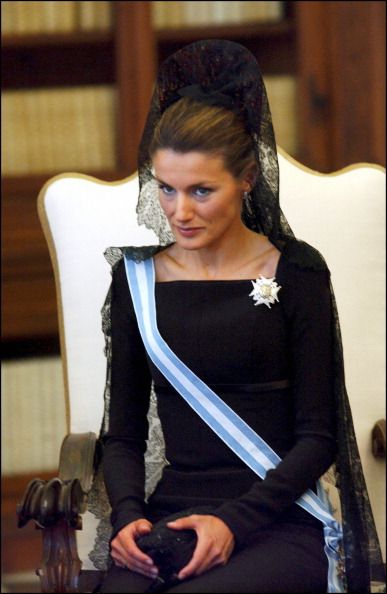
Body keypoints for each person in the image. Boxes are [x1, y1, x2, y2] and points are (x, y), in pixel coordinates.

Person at [96, 40, 384, 593]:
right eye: (167, 189)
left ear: (247, 177)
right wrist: (128, 517)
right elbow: (124, 435)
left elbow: (317, 436)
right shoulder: (134, 280)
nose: (179, 212)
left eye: (202, 191)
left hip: (278, 517)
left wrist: (233, 521)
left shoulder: (298, 274)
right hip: (171, 514)